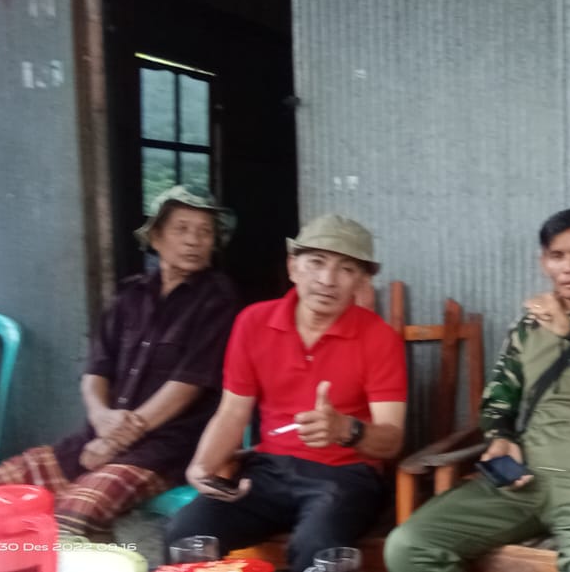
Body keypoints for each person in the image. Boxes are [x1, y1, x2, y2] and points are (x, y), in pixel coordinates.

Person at [385, 208, 570, 572]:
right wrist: (500, 437)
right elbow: (498, 400)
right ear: (544, 263)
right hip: (524, 480)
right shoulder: (528, 328)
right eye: (557, 256)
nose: (569, 267)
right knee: (409, 545)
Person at [0, 185, 239, 539]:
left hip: (163, 449)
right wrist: (100, 418)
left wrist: (115, 441)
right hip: (94, 438)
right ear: (156, 237)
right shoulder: (130, 295)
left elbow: (188, 384)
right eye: (182, 229)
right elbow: (96, 369)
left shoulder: (217, 299)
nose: (194, 240)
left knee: (71, 519)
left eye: (205, 232)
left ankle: (98, 558)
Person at [165, 214, 407, 572]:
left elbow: (392, 439)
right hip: (268, 472)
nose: (327, 280)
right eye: (316, 262)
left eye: (346, 269)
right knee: (186, 531)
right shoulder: (253, 323)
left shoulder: (379, 338)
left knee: (317, 545)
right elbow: (232, 412)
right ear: (293, 267)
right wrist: (202, 465)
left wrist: (347, 429)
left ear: (361, 281)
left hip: (346, 478)